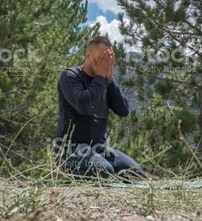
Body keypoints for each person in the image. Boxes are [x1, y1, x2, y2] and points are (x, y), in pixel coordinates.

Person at [55, 36, 143, 178]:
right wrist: (101, 78)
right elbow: (83, 105)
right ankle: (64, 173)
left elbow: (123, 110)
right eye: (102, 58)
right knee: (104, 171)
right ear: (88, 55)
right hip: (70, 149)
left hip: (98, 149)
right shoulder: (70, 76)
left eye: (108, 59)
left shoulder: (104, 81)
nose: (105, 63)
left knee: (136, 172)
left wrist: (110, 80)